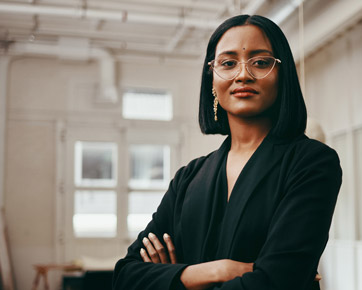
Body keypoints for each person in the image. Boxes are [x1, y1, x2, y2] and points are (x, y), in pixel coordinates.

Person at [112, 14, 342, 290]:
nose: (243, 74)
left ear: (282, 75)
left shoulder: (312, 163)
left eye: (260, 62)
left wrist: (175, 278)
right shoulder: (188, 178)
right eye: (228, 63)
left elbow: (275, 282)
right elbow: (126, 276)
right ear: (212, 78)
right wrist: (216, 271)